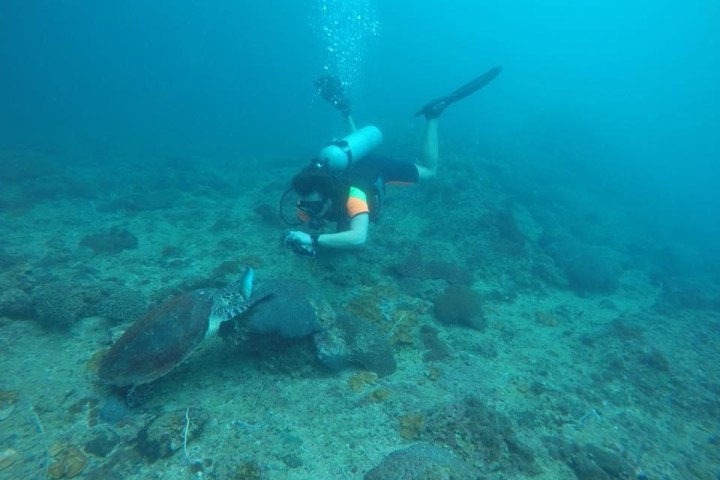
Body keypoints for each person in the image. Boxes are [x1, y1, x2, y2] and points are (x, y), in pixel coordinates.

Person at [284, 67, 501, 256]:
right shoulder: (309, 194)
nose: (307, 211)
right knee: (358, 153)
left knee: (428, 171)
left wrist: (313, 239)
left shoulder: (354, 195)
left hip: (376, 169)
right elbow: (309, 215)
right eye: (305, 206)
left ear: (328, 197)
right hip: (350, 159)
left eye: (313, 207)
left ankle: (433, 116)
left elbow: (358, 238)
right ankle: (345, 111)